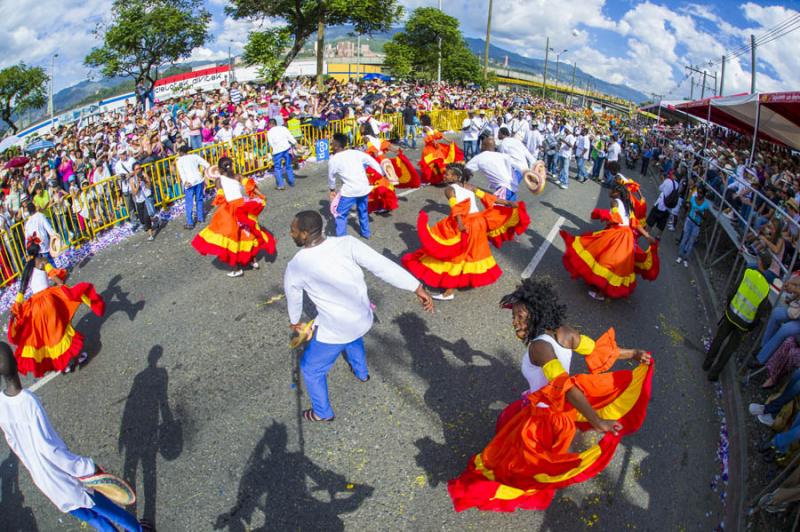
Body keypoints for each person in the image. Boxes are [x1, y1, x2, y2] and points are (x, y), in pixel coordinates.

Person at [447, 279, 653, 511]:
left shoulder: (538, 348)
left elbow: (563, 385)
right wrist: (633, 353)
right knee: (517, 440)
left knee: (515, 468)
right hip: (558, 415)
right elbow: (597, 351)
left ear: (537, 314)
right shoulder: (565, 333)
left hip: (541, 422)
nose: (515, 323)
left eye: (520, 317)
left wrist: (597, 421)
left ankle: (494, 491)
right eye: (514, 317)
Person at [284, 210, 434, 421]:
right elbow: (382, 266)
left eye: (293, 230)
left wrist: (294, 322)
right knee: (353, 339)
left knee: (310, 369)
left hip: (336, 328)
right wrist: (415, 286)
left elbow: (294, 297)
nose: (290, 234)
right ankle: (361, 372)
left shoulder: (296, 265)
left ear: (305, 234)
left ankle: (321, 412)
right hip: (362, 317)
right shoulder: (347, 244)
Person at [0, 343, 150, 531]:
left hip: (44, 481)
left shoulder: (1, 403)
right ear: (15, 362)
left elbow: (15, 444)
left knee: (93, 518)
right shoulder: (28, 402)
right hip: (65, 479)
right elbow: (50, 449)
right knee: (112, 511)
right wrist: (87, 468)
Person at [402, 163, 529, 301]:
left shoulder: (449, 190)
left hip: (467, 224)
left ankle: (448, 291)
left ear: (456, 176)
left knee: (456, 254)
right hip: (479, 223)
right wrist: (507, 203)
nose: (444, 176)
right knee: (470, 254)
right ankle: (453, 287)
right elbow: (488, 197)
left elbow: (456, 208)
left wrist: (460, 224)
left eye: (448, 174)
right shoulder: (469, 187)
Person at [7, 242, 105, 376]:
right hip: (49, 301)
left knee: (50, 336)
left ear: (28, 253)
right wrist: (61, 285)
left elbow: (21, 290)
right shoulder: (42, 261)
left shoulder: (27, 268)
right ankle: (74, 358)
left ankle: (63, 365)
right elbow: (56, 278)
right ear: (39, 250)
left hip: (35, 306)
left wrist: (17, 306)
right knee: (62, 329)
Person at [560, 182, 659, 301]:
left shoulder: (615, 202)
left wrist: (600, 213)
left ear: (616, 193)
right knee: (614, 264)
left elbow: (616, 218)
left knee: (606, 261)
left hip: (618, 235)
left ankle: (601, 293)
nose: (609, 192)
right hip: (626, 236)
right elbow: (635, 224)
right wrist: (647, 236)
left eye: (612, 190)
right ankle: (600, 288)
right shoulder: (627, 205)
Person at [191, 157, 276, 277]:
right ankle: (253, 261)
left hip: (231, 210)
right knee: (247, 233)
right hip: (243, 206)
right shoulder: (238, 176)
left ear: (219, 169)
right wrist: (262, 195)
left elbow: (220, 198)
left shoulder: (219, 181)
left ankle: (237, 269)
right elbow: (252, 187)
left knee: (232, 238)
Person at [703, 251, 772, 381]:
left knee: (719, 338)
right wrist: (751, 327)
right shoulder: (766, 288)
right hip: (744, 323)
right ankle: (714, 374)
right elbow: (760, 312)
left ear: (760, 262)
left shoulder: (748, 273)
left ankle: (707, 363)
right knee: (729, 349)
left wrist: (729, 306)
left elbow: (733, 291)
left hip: (732, 313)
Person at [327, 133, 385, 239]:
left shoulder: (333, 160)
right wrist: (383, 172)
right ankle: (366, 233)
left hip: (350, 191)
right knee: (362, 210)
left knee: (340, 215)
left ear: (335, 145)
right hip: (364, 188)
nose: (330, 143)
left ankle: (342, 239)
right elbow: (371, 161)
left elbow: (331, 177)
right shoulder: (356, 153)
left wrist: (332, 189)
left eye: (332, 141)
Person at [466, 136, 526, 201]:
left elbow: (466, 169)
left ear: (482, 146)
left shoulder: (480, 157)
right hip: (512, 186)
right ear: (494, 146)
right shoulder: (502, 156)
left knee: (499, 209)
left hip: (504, 189)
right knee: (511, 209)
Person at [419, 115, 464, 185]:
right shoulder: (431, 127)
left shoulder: (425, 128)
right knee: (437, 163)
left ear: (423, 121)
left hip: (430, 148)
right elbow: (440, 135)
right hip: (436, 147)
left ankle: (429, 179)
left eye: (421, 120)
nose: (420, 121)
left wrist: (435, 144)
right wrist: (449, 141)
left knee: (428, 164)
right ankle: (439, 178)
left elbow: (431, 138)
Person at [175, 145, 210, 230]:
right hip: (199, 179)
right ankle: (200, 218)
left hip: (189, 182)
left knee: (189, 203)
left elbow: (181, 172)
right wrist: (205, 174)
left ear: (181, 152)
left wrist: (185, 181)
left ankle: (190, 222)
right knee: (199, 199)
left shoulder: (179, 161)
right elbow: (207, 164)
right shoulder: (194, 156)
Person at [676, 186, 709, 267]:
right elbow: (689, 208)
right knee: (685, 238)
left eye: (701, 193)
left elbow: (705, 217)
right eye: (698, 192)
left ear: (704, 194)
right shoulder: (693, 198)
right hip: (689, 220)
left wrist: (700, 214)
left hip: (697, 224)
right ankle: (680, 255)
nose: (699, 194)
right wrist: (687, 215)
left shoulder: (705, 204)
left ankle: (686, 258)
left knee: (691, 241)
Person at [644, 170, 679, 240]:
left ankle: (647, 232)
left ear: (673, 175)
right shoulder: (677, 185)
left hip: (660, 204)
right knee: (662, 223)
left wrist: (663, 180)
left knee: (651, 219)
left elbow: (660, 188)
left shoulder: (667, 181)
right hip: (668, 207)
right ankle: (658, 236)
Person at [23, 201, 58, 266]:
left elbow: (26, 239)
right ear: (34, 208)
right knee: (49, 261)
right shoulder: (40, 216)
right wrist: (54, 236)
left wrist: (27, 251)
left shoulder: (27, 223)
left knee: (41, 265)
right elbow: (48, 228)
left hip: (35, 247)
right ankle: (55, 273)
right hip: (43, 242)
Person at [266, 118, 298, 190]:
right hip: (286, 148)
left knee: (278, 168)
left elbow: (270, 143)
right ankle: (291, 181)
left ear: (270, 124)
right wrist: (296, 143)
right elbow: (290, 137)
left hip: (277, 151)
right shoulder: (283, 128)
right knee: (288, 165)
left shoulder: (269, 132)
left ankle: (281, 185)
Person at [129, 164, 157, 242]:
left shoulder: (144, 174)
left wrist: (144, 180)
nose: (139, 170)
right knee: (142, 220)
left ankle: (151, 235)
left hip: (147, 198)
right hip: (139, 200)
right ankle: (154, 220)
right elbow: (134, 192)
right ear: (134, 171)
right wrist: (138, 184)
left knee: (146, 216)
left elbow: (149, 186)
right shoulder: (132, 180)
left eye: (140, 168)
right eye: (137, 169)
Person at [556, 125, 576, 190]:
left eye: (565, 129)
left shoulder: (571, 137)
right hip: (562, 153)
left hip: (566, 155)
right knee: (560, 168)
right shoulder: (565, 135)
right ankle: (560, 179)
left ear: (568, 130)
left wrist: (563, 141)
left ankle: (565, 183)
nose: (564, 130)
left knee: (565, 170)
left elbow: (571, 145)